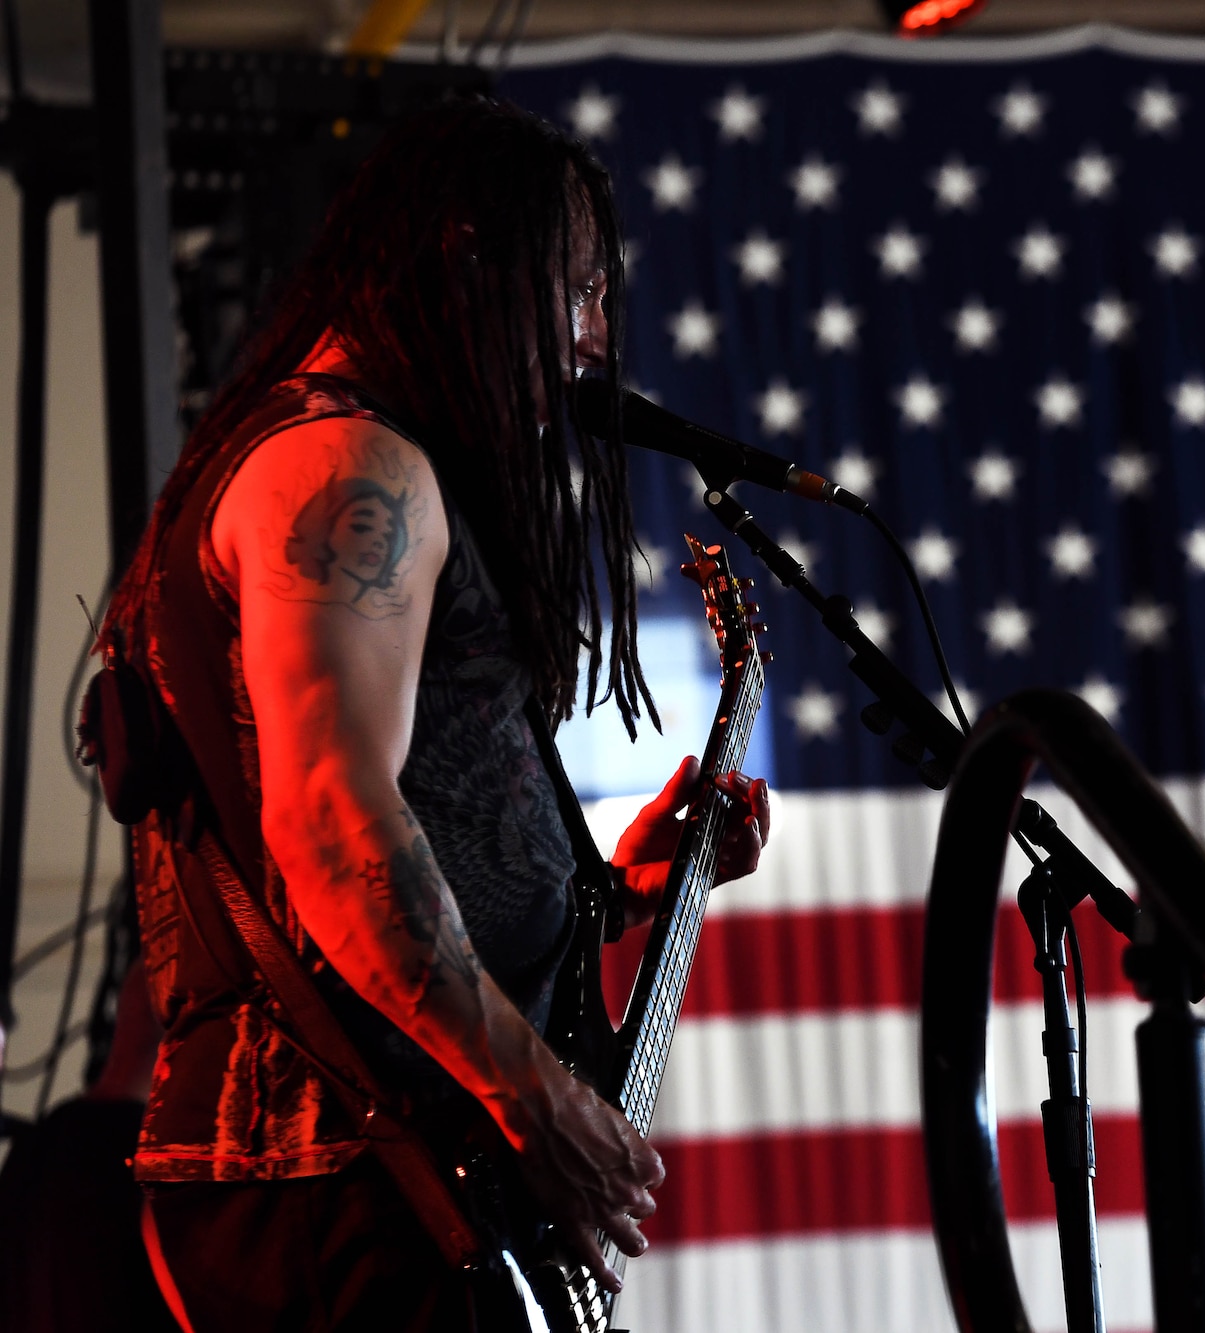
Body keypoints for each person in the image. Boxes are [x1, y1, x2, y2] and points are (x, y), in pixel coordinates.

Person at [93, 96, 770, 1331]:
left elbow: (393, 812)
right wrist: (537, 1097)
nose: (592, 341)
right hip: (350, 1172)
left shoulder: (348, 457)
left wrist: (602, 888)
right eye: (574, 292)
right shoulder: (347, 469)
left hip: (376, 1165)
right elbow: (332, 823)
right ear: (467, 258)